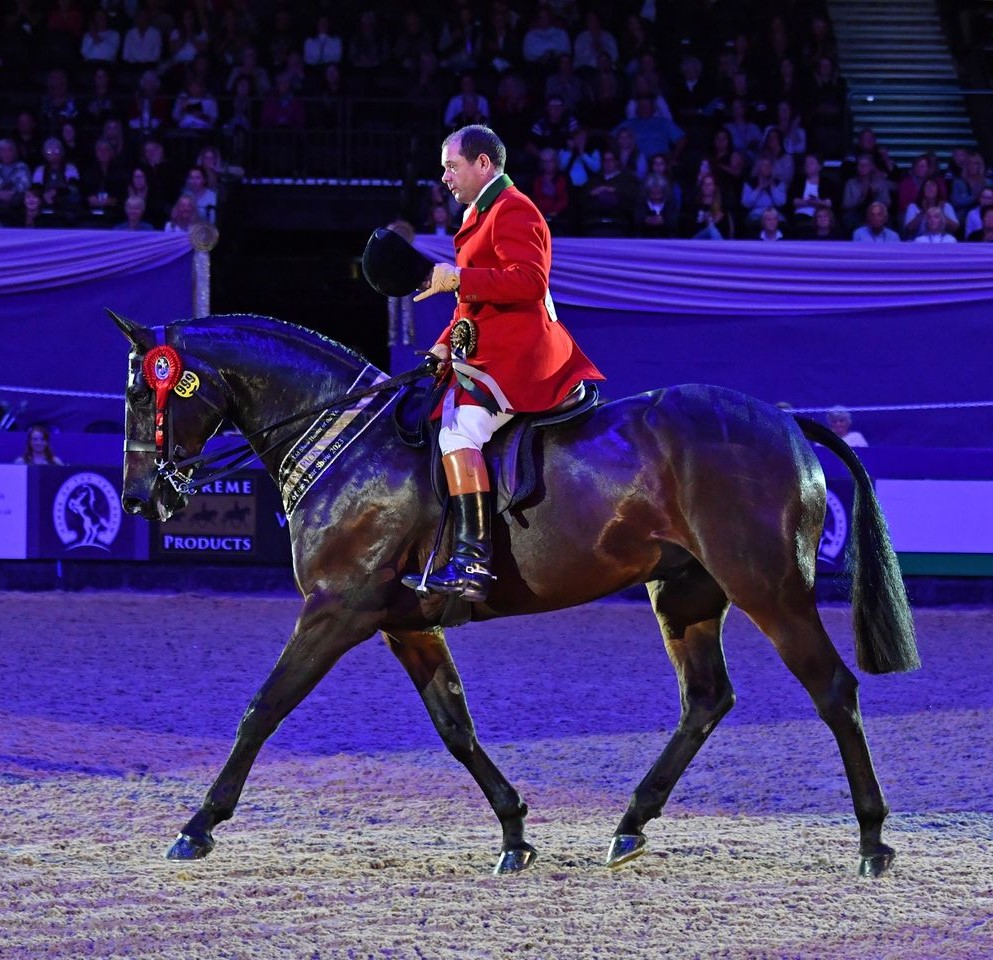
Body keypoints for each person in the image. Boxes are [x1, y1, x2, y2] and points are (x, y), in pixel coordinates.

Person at [403, 124, 603, 603]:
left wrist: (459, 278)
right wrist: (443, 345)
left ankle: (472, 561)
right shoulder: (481, 213)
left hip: (522, 354)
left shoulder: (514, 210)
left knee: (459, 431)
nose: (445, 177)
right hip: (489, 347)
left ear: (483, 164)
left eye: (452, 166)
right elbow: (471, 305)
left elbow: (529, 282)